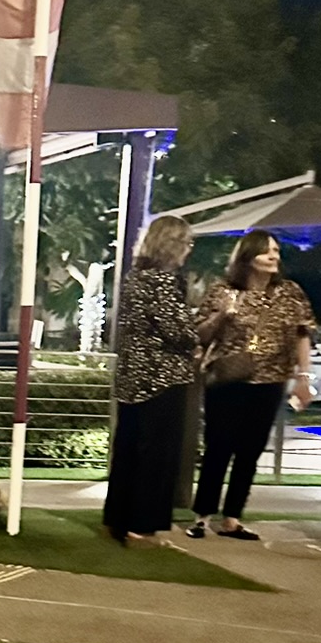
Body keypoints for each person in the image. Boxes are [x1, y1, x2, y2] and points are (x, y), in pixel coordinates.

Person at [188, 232, 314, 541]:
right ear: (247, 256)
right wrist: (222, 315)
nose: (274, 256)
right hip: (228, 380)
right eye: (266, 251)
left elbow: (302, 335)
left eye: (276, 250)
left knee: (251, 451)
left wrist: (304, 377)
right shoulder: (222, 291)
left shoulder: (290, 292)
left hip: (271, 380)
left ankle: (232, 518)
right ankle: (202, 515)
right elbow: (200, 334)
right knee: (219, 448)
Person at [102, 214, 199, 545]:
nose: (189, 249)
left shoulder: (135, 278)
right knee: (157, 454)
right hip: (161, 378)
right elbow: (180, 332)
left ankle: (117, 517)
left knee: (129, 449)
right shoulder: (163, 282)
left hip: (132, 377)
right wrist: (199, 327)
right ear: (172, 244)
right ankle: (142, 524)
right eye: (186, 242)